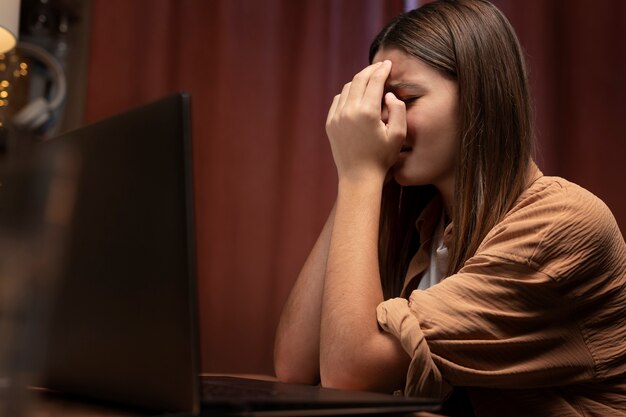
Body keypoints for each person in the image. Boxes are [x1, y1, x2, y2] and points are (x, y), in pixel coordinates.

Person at [273, 0, 626, 415]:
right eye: (380, 105)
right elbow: (295, 367)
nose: (388, 121)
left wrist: (358, 173)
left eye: (404, 98)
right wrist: (357, 170)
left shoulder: (561, 224)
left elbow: (351, 371)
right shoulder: (428, 218)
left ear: (480, 97)